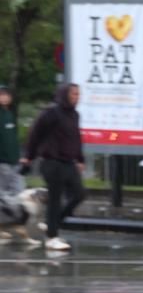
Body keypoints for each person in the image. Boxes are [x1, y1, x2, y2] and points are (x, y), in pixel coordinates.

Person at [21, 83, 85, 253]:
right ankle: (52, 237)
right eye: (73, 94)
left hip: (68, 162)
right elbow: (35, 133)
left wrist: (80, 158)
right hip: (51, 161)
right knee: (55, 199)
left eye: (78, 94)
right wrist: (29, 156)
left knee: (79, 194)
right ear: (65, 95)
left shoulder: (74, 114)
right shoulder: (51, 112)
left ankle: (51, 224)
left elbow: (76, 137)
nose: (77, 97)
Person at [0, 86, 19, 167]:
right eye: (1, 95)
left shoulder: (11, 113)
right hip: (3, 160)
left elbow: (13, 136)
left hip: (13, 160)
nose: (4, 97)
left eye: (6, 95)